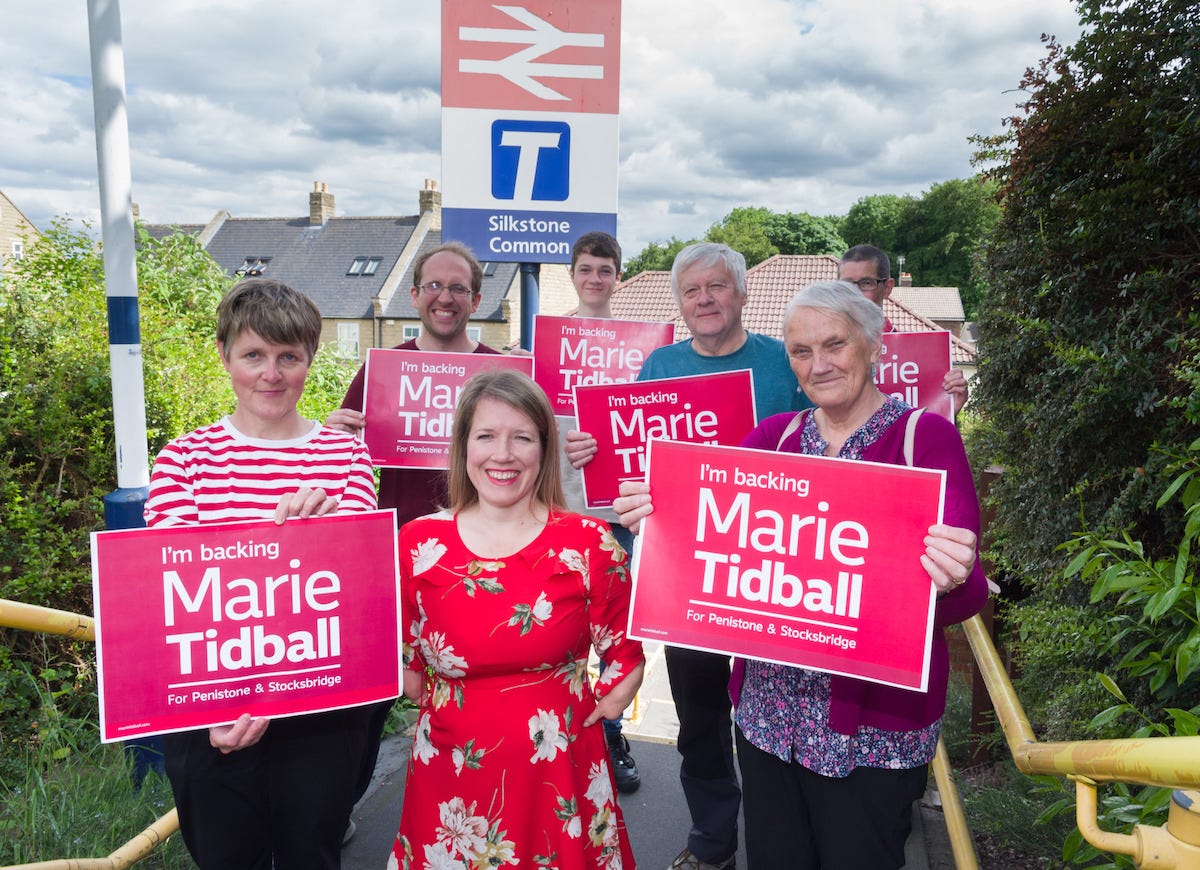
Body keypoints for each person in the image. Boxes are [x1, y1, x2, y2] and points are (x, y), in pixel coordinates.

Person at [614, 280, 987, 869]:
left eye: (833, 344)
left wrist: (954, 573)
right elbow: (710, 535)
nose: (818, 364)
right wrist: (652, 515)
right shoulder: (773, 439)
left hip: (874, 733)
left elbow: (967, 594)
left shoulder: (924, 438)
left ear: (871, 344)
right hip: (769, 720)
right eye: (799, 351)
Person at [567, 242, 812, 870]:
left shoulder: (785, 365)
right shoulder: (660, 366)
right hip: (689, 580)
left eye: (717, 287)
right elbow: (635, 463)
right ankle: (711, 844)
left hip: (771, 575)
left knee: (769, 725)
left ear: (743, 294)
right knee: (701, 722)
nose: (705, 300)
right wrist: (598, 457)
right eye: (692, 291)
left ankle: (777, 845)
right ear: (679, 303)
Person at [143, 277, 379, 869]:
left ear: (308, 361)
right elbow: (175, 585)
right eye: (254, 355)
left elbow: (357, 572)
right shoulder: (184, 458)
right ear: (225, 357)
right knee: (226, 859)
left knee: (312, 854)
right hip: (215, 709)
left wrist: (324, 530)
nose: (271, 373)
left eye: (288, 357)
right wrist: (210, 717)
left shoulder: (347, 455)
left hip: (320, 709)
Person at [391, 369, 644, 870]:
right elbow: (408, 664)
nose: (502, 454)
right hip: (451, 776)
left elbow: (624, 647)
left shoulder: (588, 542)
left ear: (544, 450)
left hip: (558, 776)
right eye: (486, 436)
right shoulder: (418, 545)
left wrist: (612, 698)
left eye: (521, 438)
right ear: (464, 446)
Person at [326, 241, 503, 812]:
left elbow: (532, 453)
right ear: (415, 294)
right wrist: (329, 436)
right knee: (372, 698)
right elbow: (338, 464)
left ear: (476, 299)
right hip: (396, 561)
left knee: (481, 688)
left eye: (457, 288)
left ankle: (484, 808)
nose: (444, 297)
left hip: (482, 559)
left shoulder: (499, 374)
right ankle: (341, 808)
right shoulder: (382, 371)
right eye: (434, 286)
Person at [558, 230, 641, 793]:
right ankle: (573, 729)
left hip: (621, 510)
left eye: (604, 270)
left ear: (617, 275)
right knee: (566, 629)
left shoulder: (642, 344)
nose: (595, 278)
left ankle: (610, 729)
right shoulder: (549, 341)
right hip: (559, 503)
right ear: (573, 274)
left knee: (618, 629)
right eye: (586, 269)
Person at [837, 244, 969, 413]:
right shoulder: (820, 352)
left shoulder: (916, 357)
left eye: (866, 283)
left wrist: (950, 407)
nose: (854, 293)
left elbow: (927, 428)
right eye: (846, 285)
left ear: (887, 288)